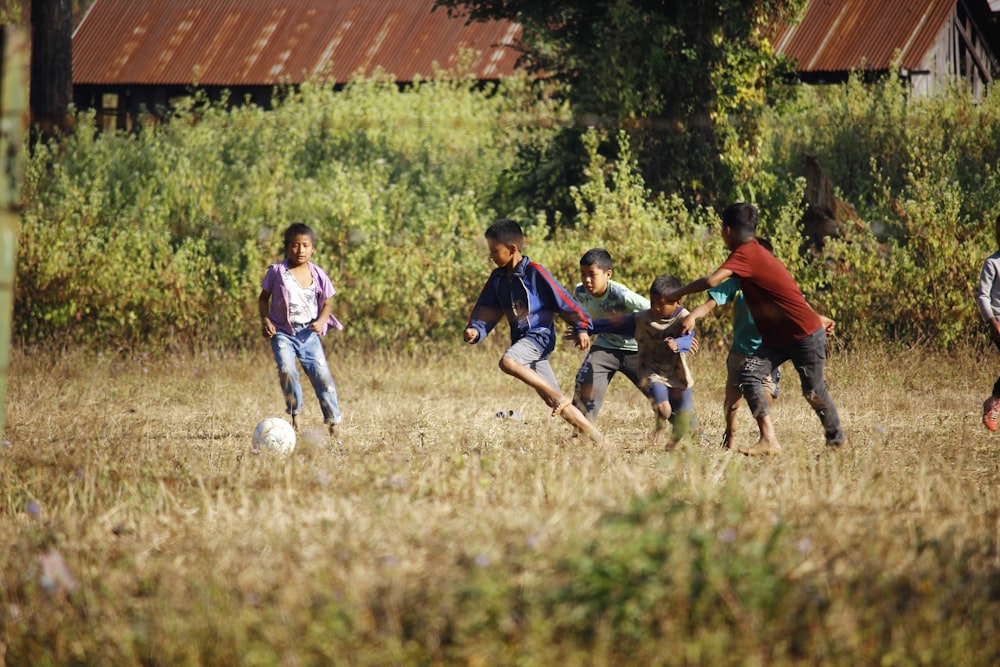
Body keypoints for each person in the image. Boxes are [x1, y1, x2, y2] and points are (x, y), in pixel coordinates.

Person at [666, 202, 846, 455]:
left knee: (813, 390)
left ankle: (837, 441)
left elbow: (710, 280)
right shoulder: (755, 256)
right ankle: (768, 440)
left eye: (720, 229)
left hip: (804, 336)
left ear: (727, 230)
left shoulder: (747, 253)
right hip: (777, 338)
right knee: (749, 375)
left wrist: (677, 292)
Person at [464, 219, 603, 444]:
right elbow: (486, 309)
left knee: (507, 362)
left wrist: (581, 327)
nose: (491, 256)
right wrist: (476, 329)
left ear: (512, 250)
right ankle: (600, 440)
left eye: (494, 251)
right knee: (553, 399)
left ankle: (558, 396)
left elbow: (564, 300)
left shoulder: (535, 273)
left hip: (539, 336)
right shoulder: (497, 279)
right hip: (523, 340)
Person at [571, 248, 703, 437]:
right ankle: (580, 434)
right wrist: (582, 328)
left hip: (638, 350)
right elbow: (582, 314)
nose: (586, 280)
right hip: (606, 346)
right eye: (583, 274)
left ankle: (694, 431)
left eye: (592, 274)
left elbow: (661, 311)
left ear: (608, 275)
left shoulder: (622, 295)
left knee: (664, 394)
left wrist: (681, 335)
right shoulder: (581, 292)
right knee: (587, 380)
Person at [681, 238, 785, 450]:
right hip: (739, 355)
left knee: (765, 398)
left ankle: (766, 439)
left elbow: (798, 310)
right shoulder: (737, 284)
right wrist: (692, 315)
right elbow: (709, 304)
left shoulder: (778, 286)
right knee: (732, 402)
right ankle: (730, 433)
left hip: (767, 356)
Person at [587, 273, 696, 447]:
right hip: (652, 371)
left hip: (678, 373)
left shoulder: (685, 317)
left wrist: (679, 343)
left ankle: (674, 445)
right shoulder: (643, 318)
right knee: (664, 408)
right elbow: (615, 324)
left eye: (661, 304)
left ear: (678, 302)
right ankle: (659, 428)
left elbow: (689, 338)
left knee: (683, 417)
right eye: (653, 303)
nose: (656, 309)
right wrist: (586, 327)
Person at [258, 222, 344, 438]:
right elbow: (263, 299)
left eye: (305, 245)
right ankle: (295, 413)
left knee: (322, 375)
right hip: (282, 332)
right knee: (286, 369)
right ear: (287, 247)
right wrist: (265, 320)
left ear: (313, 247)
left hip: (308, 334)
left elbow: (327, 304)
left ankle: (333, 420)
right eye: (295, 246)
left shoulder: (319, 274)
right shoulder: (277, 272)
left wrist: (322, 321)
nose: (300, 250)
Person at [977, 214, 1000, 431]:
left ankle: (994, 401)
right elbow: (983, 296)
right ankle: (994, 402)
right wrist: (992, 322)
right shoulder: (992, 263)